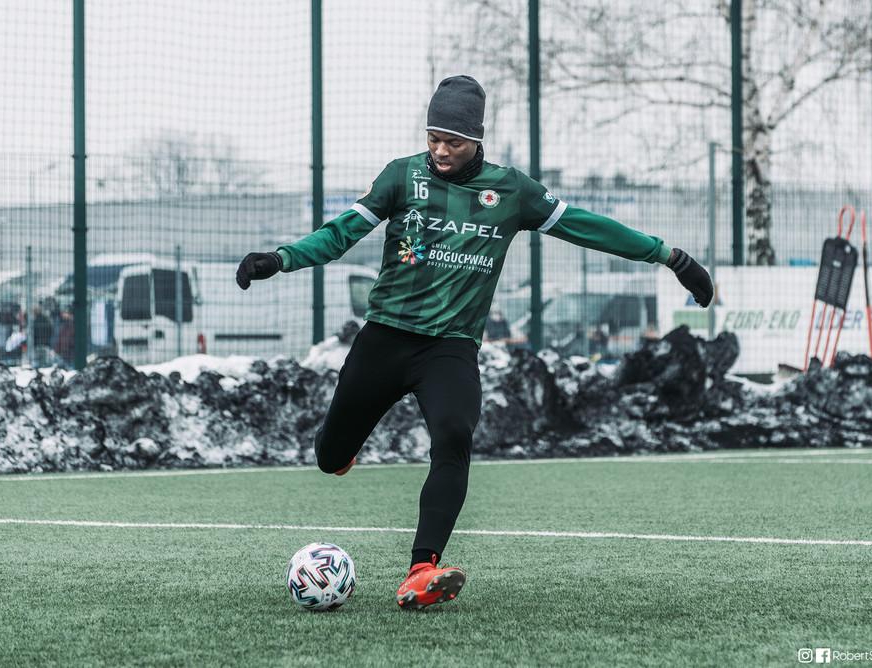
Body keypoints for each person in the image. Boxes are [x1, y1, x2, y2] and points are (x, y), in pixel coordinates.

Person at [236, 75, 713, 610]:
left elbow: (587, 226)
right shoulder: (402, 176)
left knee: (454, 434)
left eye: (454, 141)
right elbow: (340, 232)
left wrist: (670, 256)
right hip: (385, 339)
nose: (440, 150)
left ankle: (422, 569)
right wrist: (280, 258)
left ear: (477, 139)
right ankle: (340, 450)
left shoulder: (512, 192)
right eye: (433, 138)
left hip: (450, 348)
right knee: (329, 458)